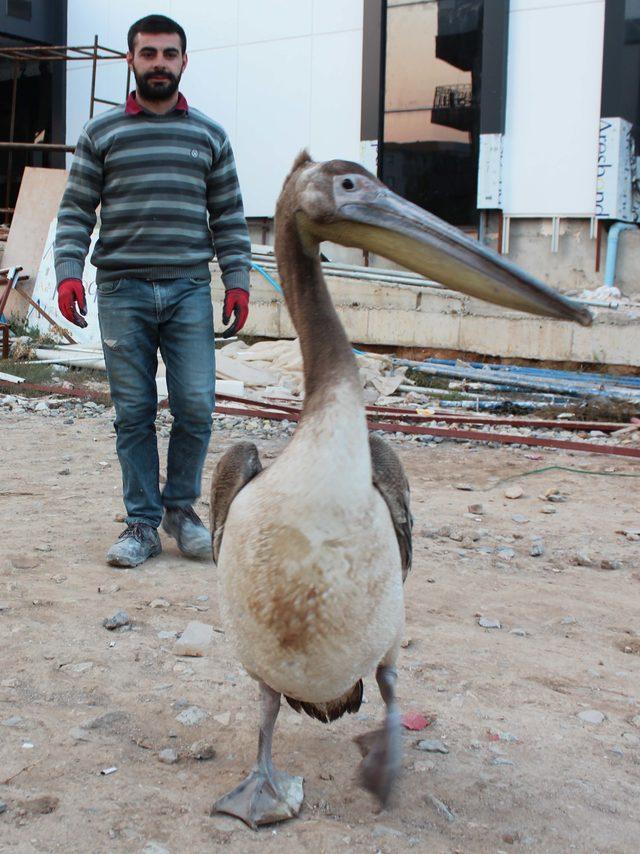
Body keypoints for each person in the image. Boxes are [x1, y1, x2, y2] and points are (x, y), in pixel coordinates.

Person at [54, 14, 251, 568]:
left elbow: (230, 218)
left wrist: (236, 280)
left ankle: (181, 511)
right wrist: (69, 269)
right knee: (134, 412)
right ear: (131, 61)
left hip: (188, 289)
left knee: (196, 404)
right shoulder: (102, 133)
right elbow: (75, 211)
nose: (159, 63)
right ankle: (141, 523)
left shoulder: (210, 136)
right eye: (149, 53)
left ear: (184, 62)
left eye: (170, 54)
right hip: (122, 291)